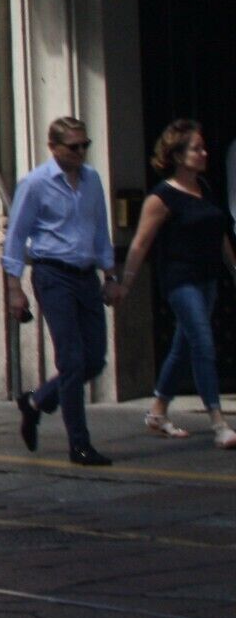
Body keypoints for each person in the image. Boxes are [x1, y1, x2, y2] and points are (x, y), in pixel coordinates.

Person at [3, 116, 123, 466]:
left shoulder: (92, 180)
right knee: (71, 360)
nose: (81, 152)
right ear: (53, 147)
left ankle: (37, 401)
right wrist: (15, 289)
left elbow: (101, 230)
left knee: (93, 359)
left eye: (85, 145)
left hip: (86, 276)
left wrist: (110, 276)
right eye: (74, 147)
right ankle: (79, 444)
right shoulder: (36, 184)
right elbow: (15, 238)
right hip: (53, 275)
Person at [120, 120, 236, 449]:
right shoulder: (162, 197)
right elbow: (140, 244)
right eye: (196, 148)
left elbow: (221, 236)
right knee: (202, 342)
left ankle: (157, 411)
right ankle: (218, 422)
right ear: (177, 155)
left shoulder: (206, 188)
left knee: (182, 345)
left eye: (202, 147)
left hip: (208, 278)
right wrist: (126, 285)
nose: (203, 153)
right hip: (179, 280)